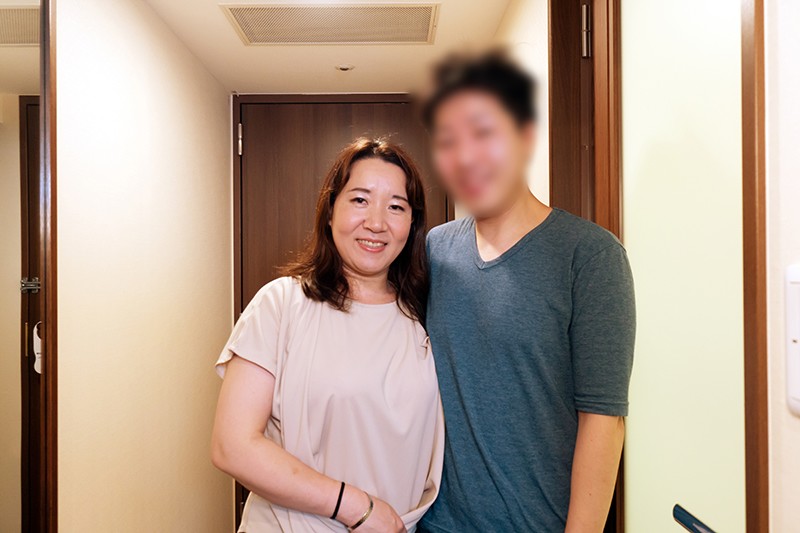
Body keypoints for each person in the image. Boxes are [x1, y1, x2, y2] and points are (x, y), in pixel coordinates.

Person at [418, 51, 636, 532]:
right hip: (438, 523)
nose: (466, 157)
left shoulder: (590, 256)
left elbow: (603, 422)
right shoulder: (436, 249)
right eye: (449, 142)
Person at [212, 138, 444, 533]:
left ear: (412, 224)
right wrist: (358, 508)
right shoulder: (282, 304)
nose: (376, 222)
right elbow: (232, 446)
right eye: (360, 200)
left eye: (396, 206)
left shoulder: (425, 316)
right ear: (330, 210)